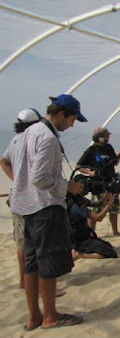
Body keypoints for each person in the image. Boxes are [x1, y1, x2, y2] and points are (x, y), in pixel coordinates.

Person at [7, 94, 87, 330]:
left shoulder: (27, 133)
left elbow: (15, 165)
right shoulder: (48, 137)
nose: (72, 124)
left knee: (31, 264)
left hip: (25, 207)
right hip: (44, 208)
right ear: (61, 114)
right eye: (72, 119)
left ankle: (34, 317)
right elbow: (40, 178)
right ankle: (51, 316)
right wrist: (68, 186)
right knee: (48, 263)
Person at [0, 109, 42, 289]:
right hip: (32, 198)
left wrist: (15, 179)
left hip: (16, 197)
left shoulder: (15, 140)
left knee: (21, 241)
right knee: (34, 241)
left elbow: (4, 161)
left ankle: (22, 280)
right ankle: (32, 281)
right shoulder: (34, 139)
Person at [76, 127, 120, 236]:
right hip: (98, 185)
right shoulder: (91, 151)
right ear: (100, 138)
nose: (109, 137)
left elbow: (115, 163)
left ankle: (115, 231)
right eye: (107, 135)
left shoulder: (109, 147)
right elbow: (78, 166)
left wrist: (119, 156)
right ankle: (90, 233)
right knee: (95, 210)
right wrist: (90, 173)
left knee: (114, 208)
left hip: (111, 183)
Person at [67, 189, 118, 260]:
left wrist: (106, 196)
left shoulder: (69, 201)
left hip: (73, 238)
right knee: (109, 252)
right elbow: (98, 217)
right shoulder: (77, 206)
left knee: (107, 245)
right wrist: (109, 203)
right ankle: (79, 255)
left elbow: (96, 203)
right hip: (79, 240)